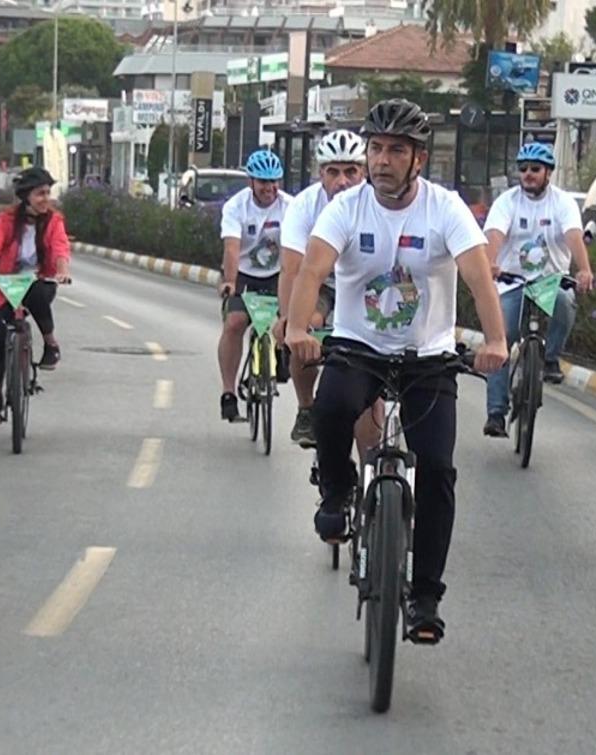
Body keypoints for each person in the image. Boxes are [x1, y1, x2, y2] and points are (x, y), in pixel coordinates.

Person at [285, 99, 509, 642]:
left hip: (428, 356)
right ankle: (336, 491)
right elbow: (313, 269)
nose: (382, 161)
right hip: (358, 346)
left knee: (437, 468)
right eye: (376, 149)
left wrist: (497, 340)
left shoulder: (444, 208)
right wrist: (297, 330)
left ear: (419, 159)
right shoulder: (346, 208)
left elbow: (478, 277)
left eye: (396, 151)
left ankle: (426, 596)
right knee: (332, 408)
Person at [481, 141, 594, 438]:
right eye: (524, 169)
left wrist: (583, 269)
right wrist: (490, 263)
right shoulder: (507, 201)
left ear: (548, 173)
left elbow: (573, 235)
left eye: (535, 169)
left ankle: (551, 358)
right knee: (501, 339)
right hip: (513, 281)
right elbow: (494, 233)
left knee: (565, 301)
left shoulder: (563, 203)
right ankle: (496, 412)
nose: (529, 174)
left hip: (548, 282)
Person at [276, 129, 370, 447]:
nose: (342, 181)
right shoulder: (304, 206)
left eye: (351, 172)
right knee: (306, 324)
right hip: (321, 283)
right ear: (321, 174)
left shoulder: (378, 202)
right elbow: (292, 268)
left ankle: (370, 472)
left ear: (364, 172)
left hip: (365, 285)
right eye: (333, 172)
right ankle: (305, 407)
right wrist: (289, 321)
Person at [0, 166, 72, 424]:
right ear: (26, 196)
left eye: (48, 193)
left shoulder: (54, 221)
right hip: (7, 285)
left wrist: (61, 272)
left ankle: (51, 344)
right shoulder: (7, 220)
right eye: (40, 194)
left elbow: (60, 248)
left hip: (40, 281)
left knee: (35, 291)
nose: (45, 199)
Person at [217, 149, 293, 422]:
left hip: (278, 273)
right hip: (244, 274)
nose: (269, 188)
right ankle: (228, 393)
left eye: (274, 181)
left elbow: (297, 249)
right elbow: (232, 249)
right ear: (251, 182)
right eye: (263, 182)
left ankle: (278, 358)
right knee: (235, 323)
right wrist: (229, 282)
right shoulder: (236, 207)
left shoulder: (289, 206)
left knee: (288, 321)